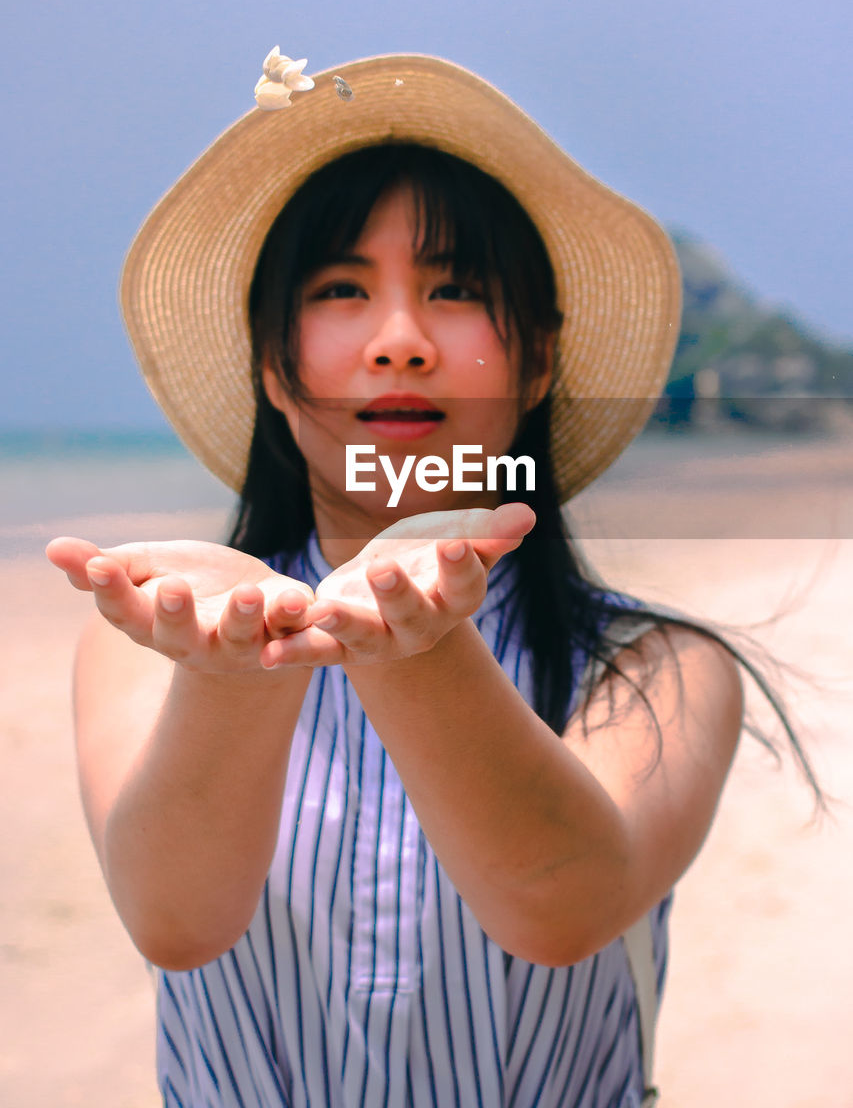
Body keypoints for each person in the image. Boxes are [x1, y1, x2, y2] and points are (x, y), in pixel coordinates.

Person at [47, 55, 818, 1108]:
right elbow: (176, 919)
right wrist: (234, 677)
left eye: (455, 290)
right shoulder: (158, 647)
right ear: (274, 367)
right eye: (340, 291)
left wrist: (413, 646)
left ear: (537, 359)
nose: (400, 343)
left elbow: (560, 905)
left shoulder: (657, 668)